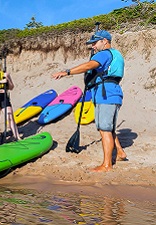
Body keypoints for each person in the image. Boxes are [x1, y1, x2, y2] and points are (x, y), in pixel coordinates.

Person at [51, 30, 127, 172]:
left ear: (104, 41)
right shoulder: (116, 54)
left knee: (104, 129)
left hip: (106, 94)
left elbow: (88, 66)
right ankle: (120, 153)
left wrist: (66, 72)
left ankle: (106, 165)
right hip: (113, 92)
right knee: (108, 128)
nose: (92, 46)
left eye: (94, 43)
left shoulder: (104, 54)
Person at [0, 58, 20, 142]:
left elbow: (11, 87)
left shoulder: (6, 74)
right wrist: (0, 82)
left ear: (0, 65)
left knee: (10, 116)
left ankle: (16, 136)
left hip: (4, 96)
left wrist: (7, 79)